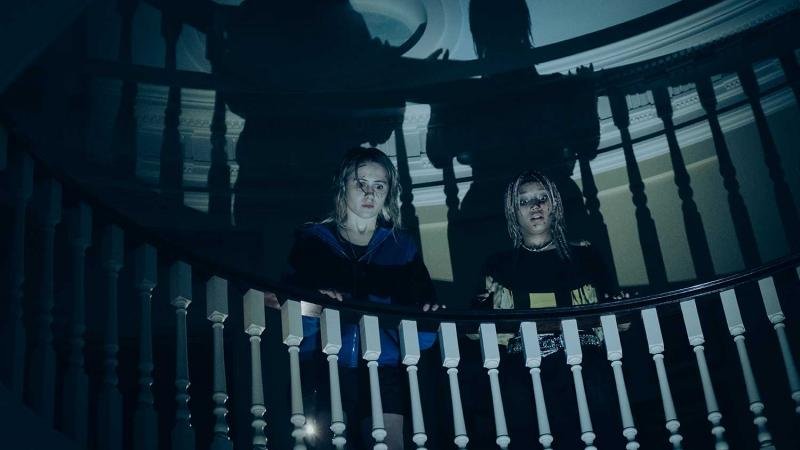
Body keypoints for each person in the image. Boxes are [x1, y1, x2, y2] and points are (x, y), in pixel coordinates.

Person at [284, 147, 440, 450]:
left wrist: (427, 320)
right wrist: (315, 306)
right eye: (361, 183)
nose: (370, 193)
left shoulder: (402, 246)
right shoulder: (313, 241)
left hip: (385, 367)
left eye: (379, 186)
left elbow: (423, 327)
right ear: (343, 185)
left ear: (388, 192)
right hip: (325, 362)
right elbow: (287, 309)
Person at [467, 170, 622, 450]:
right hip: (523, 370)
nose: (535, 206)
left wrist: (621, 306)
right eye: (524, 201)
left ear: (554, 204)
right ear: (513, 212)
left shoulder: (585, 255)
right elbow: (476, 332)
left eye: (542, 198)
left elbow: (618, 319)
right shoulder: (497, 266)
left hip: (585, 363)